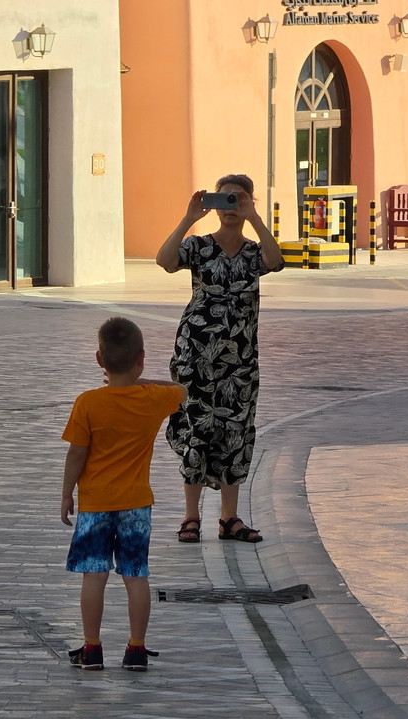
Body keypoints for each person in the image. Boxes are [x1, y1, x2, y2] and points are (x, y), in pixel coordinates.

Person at [155, 174, 284, 545]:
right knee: (196, 430)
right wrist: (188, 217)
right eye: (225, 199)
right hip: (195, 356)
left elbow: (275, 261)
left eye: (238, 200)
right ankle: (191, 517)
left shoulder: (252, 252)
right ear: (214, 204)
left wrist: (256, 218)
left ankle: (230, 519)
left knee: (235, 432)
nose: (231, 207)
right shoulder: (199, 246)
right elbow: (165, 260)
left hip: (240, 360)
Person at [60, 316, 186, 672]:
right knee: (136, 575)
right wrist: (139, 379)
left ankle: (92, 648)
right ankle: (135, 649)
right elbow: (182, 390)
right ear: (141, 358)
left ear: (99, 360)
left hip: (95, 505)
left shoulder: (87, 403)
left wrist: (67, 493)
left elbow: (76, 454)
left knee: (94, 576)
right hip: (136, 504)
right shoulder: (153, 399)